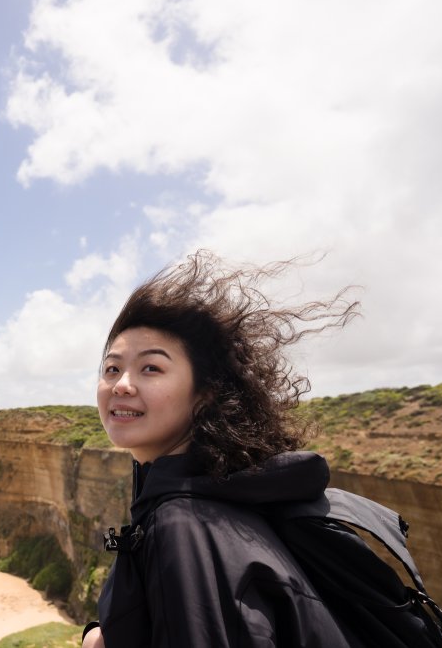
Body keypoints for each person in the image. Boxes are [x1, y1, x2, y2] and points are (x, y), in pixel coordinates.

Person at [81, 250, 360, 648]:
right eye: (112, 368)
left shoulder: (182, 527)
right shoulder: (229, 492)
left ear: (205, 395)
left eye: (151, 368)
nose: (121, 384)